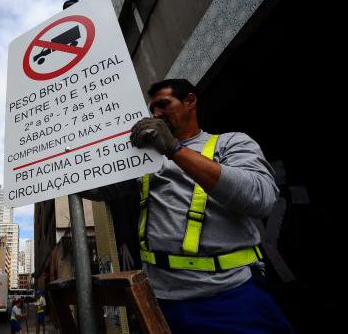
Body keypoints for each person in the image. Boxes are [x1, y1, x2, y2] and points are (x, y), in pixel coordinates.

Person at [88, 79, 293, 333]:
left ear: (190, 101)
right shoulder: (148, 159)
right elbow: (100, 188)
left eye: (164, 104)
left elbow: (260, 199)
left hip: (228, 295)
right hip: (159, 300)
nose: (156, 115)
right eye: (152, 109)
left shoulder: (229, 143)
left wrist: (174, 149)